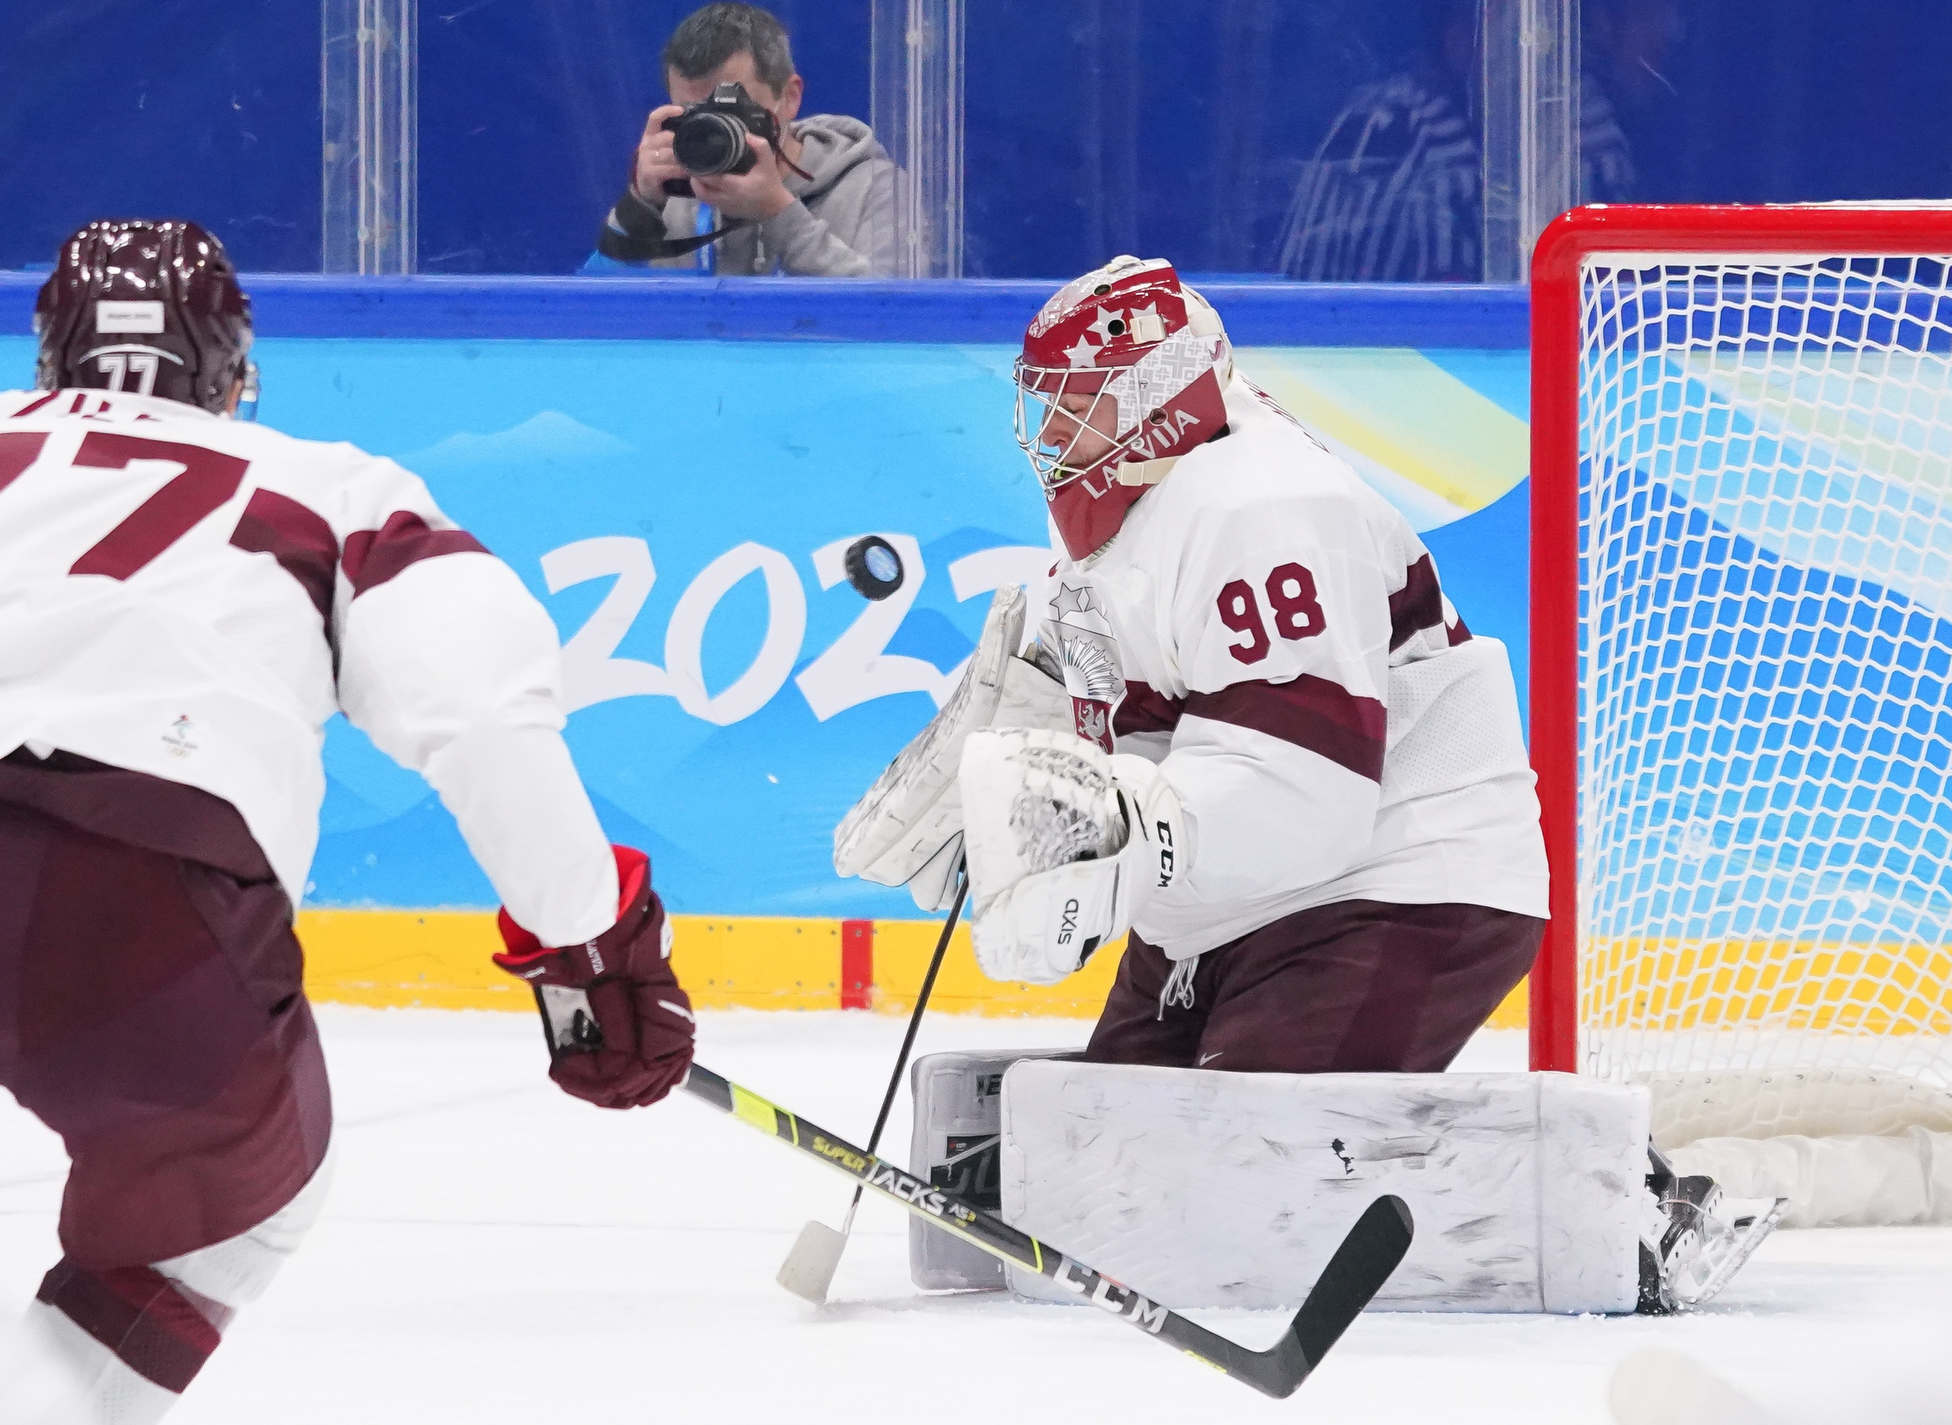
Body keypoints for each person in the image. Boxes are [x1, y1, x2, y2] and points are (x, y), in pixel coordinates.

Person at [839, 254, 1779, 1311]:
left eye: (1075, 405)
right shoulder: (1130, 525)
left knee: (1246, 1184)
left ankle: (1631, 1203)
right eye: (1045, 408)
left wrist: (1119, 834)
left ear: (1155, 403)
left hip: (1392, 889)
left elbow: (1308, 789)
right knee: (1114, 1163)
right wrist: (1017, 793)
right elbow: (1145, 738)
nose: (1050, 434)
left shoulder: (1264, 508)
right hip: (1228, 908)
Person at [0, 219, 697, 1423]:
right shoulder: (328, 489)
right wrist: (589, 935)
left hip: (125, 863)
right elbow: (480, 714)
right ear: (231, 367)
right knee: (224, 1205)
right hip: (127, 878)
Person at [1274, 0, 1655, 281]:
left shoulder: (1579, 116)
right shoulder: (1399, 127)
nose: (1532, 39)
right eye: (1504, 18)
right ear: (1458, 30)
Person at [595, 3, 898, 276]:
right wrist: (640, 208)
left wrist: (779, 213)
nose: (713, 131)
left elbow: (890, 312)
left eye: (730, 110)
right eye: (693, 114)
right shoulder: (677, 190)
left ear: (790, 97)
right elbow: (593, 307)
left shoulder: (874, 189)